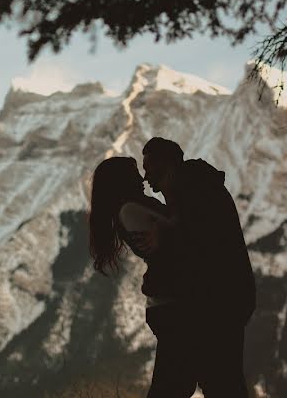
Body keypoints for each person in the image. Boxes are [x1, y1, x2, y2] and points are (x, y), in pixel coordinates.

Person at [142, 137, 256, 398]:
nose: (146, 178)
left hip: (213, 308)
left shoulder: (196, 192)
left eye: (151, 169)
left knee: (211, 384)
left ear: (168, 166)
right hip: (216, 307)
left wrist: (165, 236)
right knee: (221, 383)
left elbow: (200, 245)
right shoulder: (195, 190)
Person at [88, 156, 189, 397]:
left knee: (176, 383)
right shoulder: (131, 210)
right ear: (121, 181)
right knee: (173, 386)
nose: (141, 178)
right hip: (171, 304)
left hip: (169, 303)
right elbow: (173, 242)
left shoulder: (132, 208)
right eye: (134, 173)